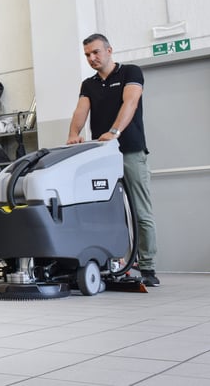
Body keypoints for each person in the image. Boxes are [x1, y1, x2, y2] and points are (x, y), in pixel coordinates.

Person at [66, 33, 159, 286]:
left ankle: (148, 267)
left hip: (130, 150)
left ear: (109, 50)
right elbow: (80, 111)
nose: (91, 58)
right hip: (102, 157)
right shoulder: (88, 84)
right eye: (87, 55)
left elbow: (131, 102)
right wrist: (73, 134)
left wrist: (114, 132)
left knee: (141, 211)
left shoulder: (131, 72)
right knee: (106, 212)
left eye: (95, 52)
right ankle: (114, 263)